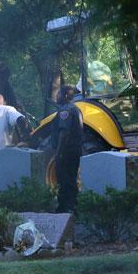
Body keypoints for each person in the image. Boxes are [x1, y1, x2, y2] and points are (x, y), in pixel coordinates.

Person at [51, 85, 83, 213]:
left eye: (58, 94)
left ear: (64, 96)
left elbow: (64, 133)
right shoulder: (75, 109)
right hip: (74, 149)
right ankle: (73, 206)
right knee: (71, 178)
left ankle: (65, 208)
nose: (56, 96)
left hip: (66, 151)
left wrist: (58, 153)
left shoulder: (66, 110)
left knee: (64, 180)